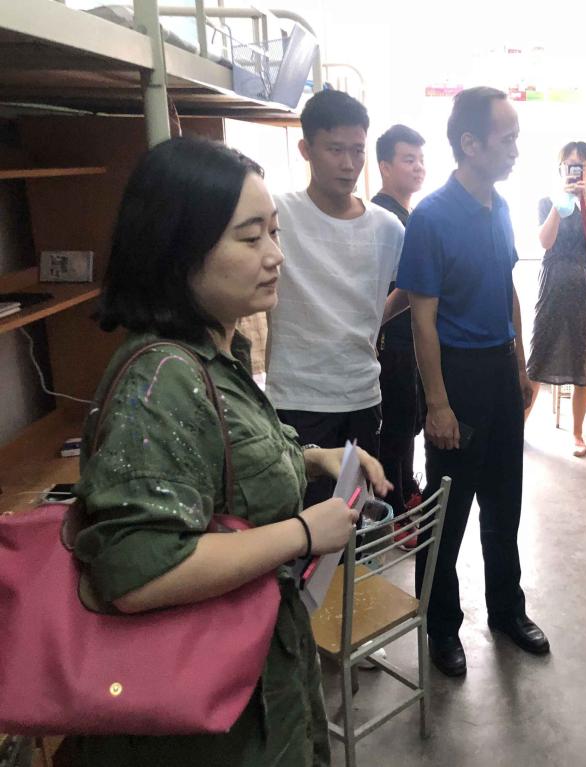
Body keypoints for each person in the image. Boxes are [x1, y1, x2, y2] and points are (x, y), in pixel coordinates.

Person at [67, 136, 391, 766]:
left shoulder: (217, 352)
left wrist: (313, 457)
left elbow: (225, 465)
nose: (275, 256)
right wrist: (304, 532)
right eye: (250, 238)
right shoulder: (163, 380)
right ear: (178, 248)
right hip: (211, 711)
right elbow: (139, 573)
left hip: (263, 672)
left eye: (274, 232)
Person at [397, 86, 549, 677]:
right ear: (470, 143)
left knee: (505, 503)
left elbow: (508, 289)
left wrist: (520, 366)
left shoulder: (501, 206)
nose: (515, 149)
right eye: (506, 139)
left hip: (499, 370)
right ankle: (441, 627)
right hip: (455, 375)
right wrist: (438, 406)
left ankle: (507, 611)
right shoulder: (432, 217)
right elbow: (422, 322)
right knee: (448, 512)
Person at [267, 90, 407, 508]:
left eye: (357, 150)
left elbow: (413, 288)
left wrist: (374, 318)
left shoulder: (388, 228)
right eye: (335, 149)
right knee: (304, 518)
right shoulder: (277, 215)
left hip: (362, 395)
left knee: (357, 514)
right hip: (295, 397)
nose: (348, 163)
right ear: (306, 149)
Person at [525, 140, 586, 457]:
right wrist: (561, 204)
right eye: (570, 165)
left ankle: (577, 433)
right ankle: (519, 425)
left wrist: (584, 203)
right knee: (538, 355)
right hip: (551, 284)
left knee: (582, 360)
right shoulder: (548, 201)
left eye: (582, 165)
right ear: (561, 168)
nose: (575, 170)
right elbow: (545, 241)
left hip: (584, 289)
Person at [371, 124, 427, 539]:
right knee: (396, 423)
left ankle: (406, 487)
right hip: (389, 338)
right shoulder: (379, 217)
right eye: (409, 159)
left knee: (408, 419)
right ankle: (394, 509)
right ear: (385, 166)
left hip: (411, 337)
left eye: (421, 159)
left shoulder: (407, 215)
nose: (418, 167)